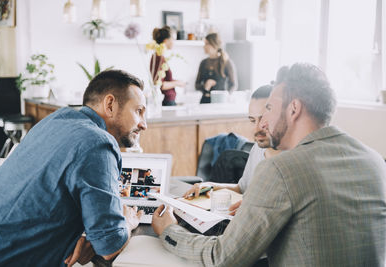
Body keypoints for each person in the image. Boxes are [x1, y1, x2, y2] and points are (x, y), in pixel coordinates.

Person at [152, 63, 386, 266]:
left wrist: (169, 231)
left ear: (293, 109)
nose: (264, 120)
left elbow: (222, 258)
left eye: (270, 108)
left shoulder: (280, 170)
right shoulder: (374, 160)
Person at [0, 70, 147, 266]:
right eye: (139, 111)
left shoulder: (57, 119)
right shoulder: (98, 143)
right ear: (110, 104)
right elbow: (109, 246)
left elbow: (49, 194)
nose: (143, 124)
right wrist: (127, 222)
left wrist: (88, 235)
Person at [183, 84, 280, 215]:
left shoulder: (287, 162)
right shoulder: (258, 148)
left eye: (263, 120)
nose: (256, 129)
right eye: (252, 120)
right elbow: (241, 188)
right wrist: (210, 186)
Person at [195, 33, 237, 104]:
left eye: (206, 44)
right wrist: (205, 86)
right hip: (205, 101)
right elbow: (197, 85)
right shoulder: (203, 63)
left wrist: (226, 95)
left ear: (214, 44)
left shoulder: (226, 62)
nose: (204, 47)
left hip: (220, 102)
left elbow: (233, 85)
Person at [150, 26, 186, 106]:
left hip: (169, 100)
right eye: (173, 39)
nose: (174, 42)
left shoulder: (160, 57)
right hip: (166, 101)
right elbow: (161, 85)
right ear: (166, 41)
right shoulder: (158, 58)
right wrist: (177, 83)